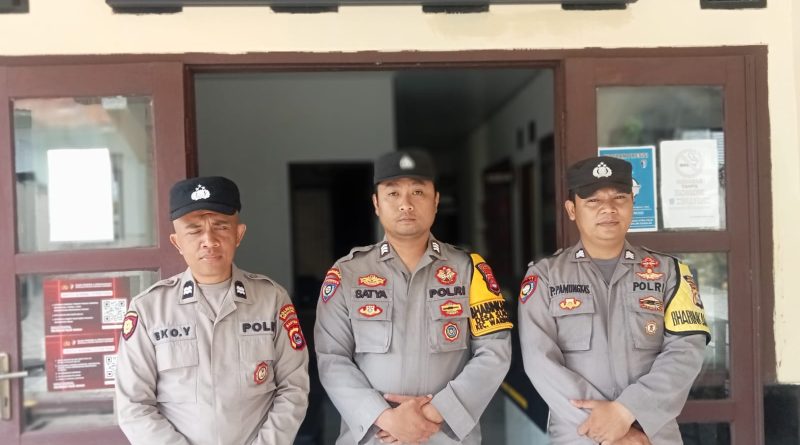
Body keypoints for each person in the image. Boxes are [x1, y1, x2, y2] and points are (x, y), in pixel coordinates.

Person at [314, 150, 513, 444]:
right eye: (393, 193)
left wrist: (435, 413)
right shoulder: (347, 274)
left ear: (435, 201)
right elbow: (332, 358)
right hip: (377, 437)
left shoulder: (470, 270)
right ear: (376, 203)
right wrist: (385, 417)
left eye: (418, 192)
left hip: (446, 436)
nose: (405, 204)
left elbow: (494, 351)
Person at [518, 156, 710, 445]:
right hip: (579, 436)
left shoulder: (669, 272)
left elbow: (686, 352)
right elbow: (539, 361)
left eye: (619, 198)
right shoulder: (545, 277)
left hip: (650, 435)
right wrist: (606, 426)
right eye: (593, 201)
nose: (608, 208)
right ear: (572, 210)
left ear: (632, 203)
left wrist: (627, 412)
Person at [115, 176, 309, 445]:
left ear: (238, 234)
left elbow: (294, 388)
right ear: (177, 242)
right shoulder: (149, 309)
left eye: (220, 226)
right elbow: (133, 405)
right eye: (194, 230)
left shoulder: (272, 300)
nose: (209, 240)